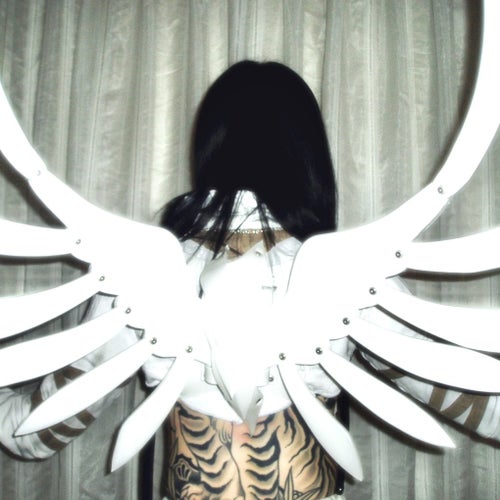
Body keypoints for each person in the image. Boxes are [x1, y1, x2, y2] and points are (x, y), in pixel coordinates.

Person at [0, 61, 499, 500]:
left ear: (208, 147)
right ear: (309, 157)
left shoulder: (139, 276)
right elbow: (479, 403)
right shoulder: (349, 274)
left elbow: (33, 433)